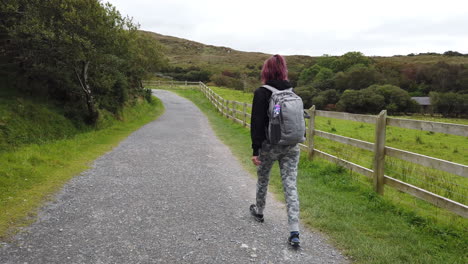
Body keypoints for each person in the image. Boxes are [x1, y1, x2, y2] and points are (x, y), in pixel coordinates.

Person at [249, 54, 301, 247]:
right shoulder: (291, 91)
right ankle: (294, 230)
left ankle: (260, 211)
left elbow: (257, 123)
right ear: (283, 70)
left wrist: (256, 149)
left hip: (269, 146)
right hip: (292, 146)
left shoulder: (262, 92)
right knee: (290, 184)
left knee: (263, 178)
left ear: (266, 71)